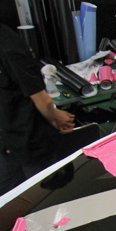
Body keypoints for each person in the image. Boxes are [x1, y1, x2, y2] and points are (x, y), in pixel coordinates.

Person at [0, 23, 75, 197]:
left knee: (43, 200)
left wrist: (54, 117)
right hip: (8, 143)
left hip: (30, 145)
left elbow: (42, 99)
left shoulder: (10, 47)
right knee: (11, 201)